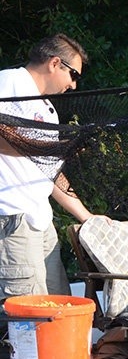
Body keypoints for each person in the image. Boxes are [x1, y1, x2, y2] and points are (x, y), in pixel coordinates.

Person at [0, 33, 102, 300]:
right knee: (32, 316)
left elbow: (51, 171)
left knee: (60, 307)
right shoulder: (9, 81)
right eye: (74, 75)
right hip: (12, 220)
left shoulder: (47, 109)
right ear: (55, 63)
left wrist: (88, 218)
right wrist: (52, 147)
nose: (73, 85)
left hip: (41, 223)